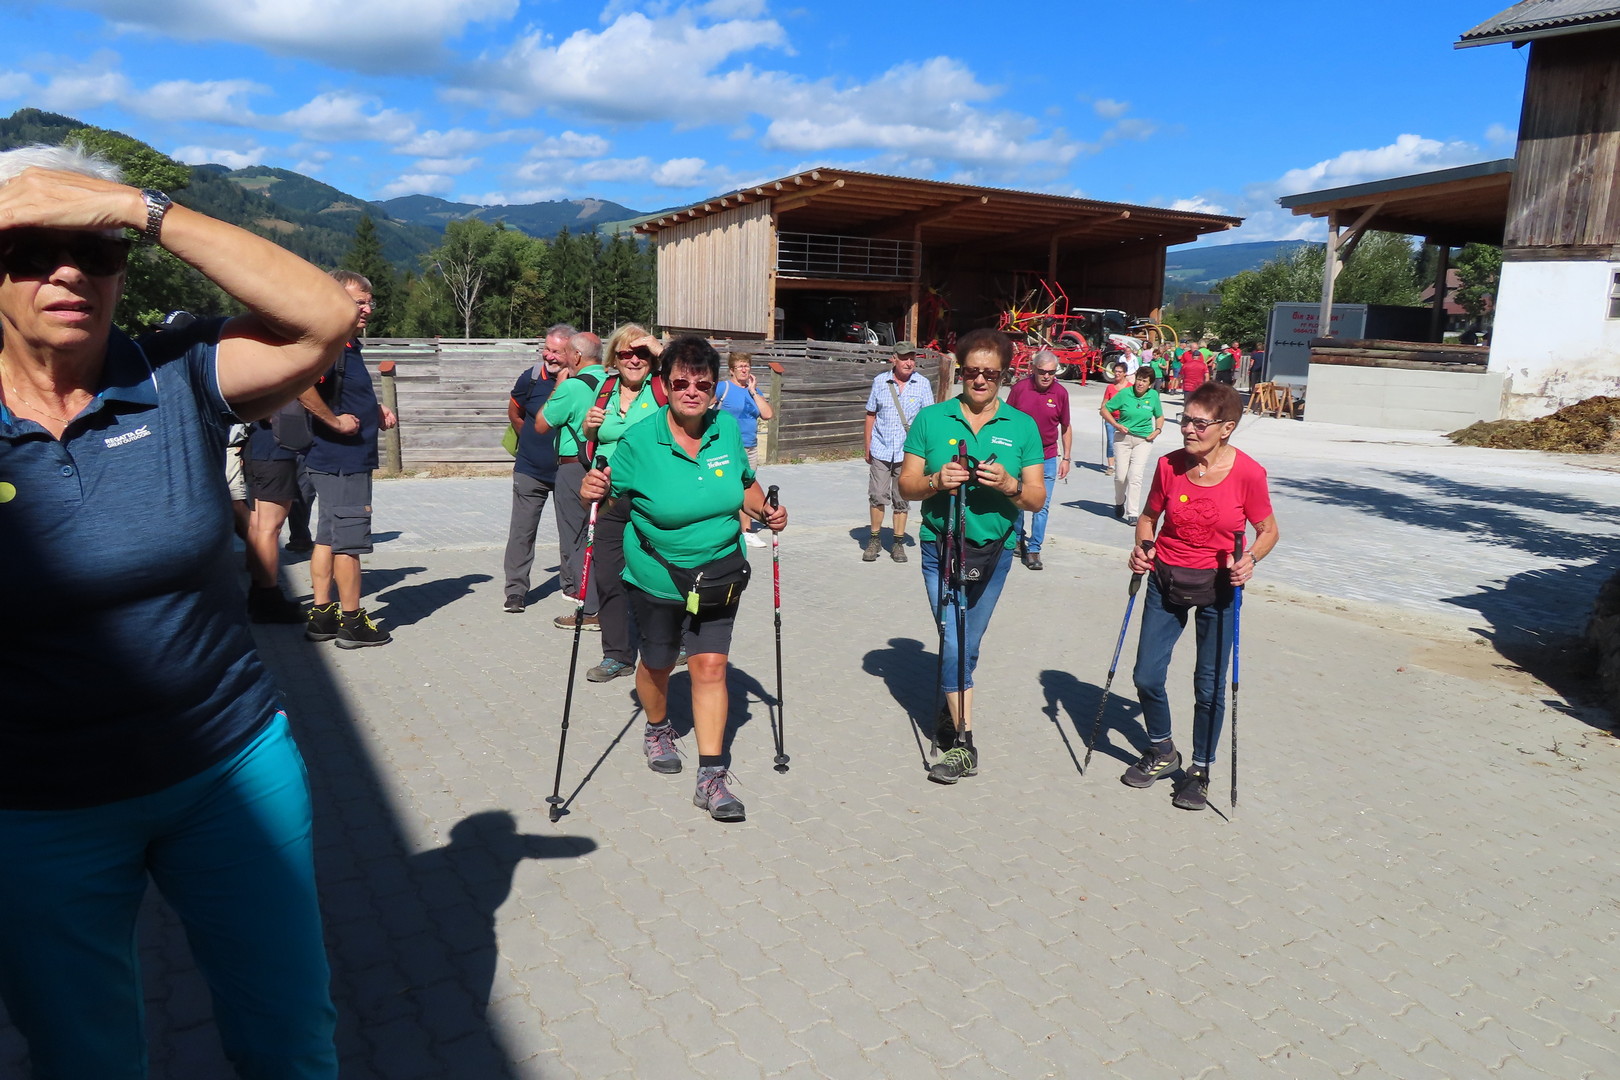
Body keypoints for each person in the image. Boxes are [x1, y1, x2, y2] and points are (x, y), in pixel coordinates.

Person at [0, 143, 354, 1077]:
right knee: (84, 1056)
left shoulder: (172, 373)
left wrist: (134, 206)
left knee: (290, 1040)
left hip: (227, 772)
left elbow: (324, 318)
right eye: (30, 251)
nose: (69, 272)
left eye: (94, 249)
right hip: (35, 806)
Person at [579, 337, 788, 822]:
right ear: (665, 385)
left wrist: (767, 510)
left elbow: (744, 486)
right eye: (681, 382)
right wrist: (593, 488)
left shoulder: (726, 429)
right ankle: (657, 728)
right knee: (656, 662)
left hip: (718, 572)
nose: (691, 391)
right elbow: (607, 496)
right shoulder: (639, 441)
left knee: (710, 668)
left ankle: (711, 777)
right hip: (657, 577)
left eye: (702, 383)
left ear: (714, 389)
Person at [897, 329, 1046, 784]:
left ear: (1005, 375)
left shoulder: (1021, 426)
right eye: (972, 372)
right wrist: (936, 481)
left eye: (991, 373)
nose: (980, 380)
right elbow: (907, 486)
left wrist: (1009, 486)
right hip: (940, 546)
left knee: (970, 643)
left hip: (994, 552)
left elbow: (1037, 498)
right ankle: (965, 743)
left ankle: (950, 706)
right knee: (955, 640)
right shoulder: (931, 418)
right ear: (960, 372)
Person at [1122, 382, 1279, 810]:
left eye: (1199, 423)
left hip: (1220, 587)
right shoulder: (1169, 466)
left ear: (1226, 428)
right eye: (1184, 419)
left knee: (1208, 686)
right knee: (1146, 676)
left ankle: (1200, 770)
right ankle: (1162, 750)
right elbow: (1149, 517)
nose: (1188, 429)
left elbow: (1268, 530)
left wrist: (1251, 559)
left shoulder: (1248, 473)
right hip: (1166, 578)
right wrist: (1143, 547)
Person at [300, 269, 397, 648]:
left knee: (328, 537)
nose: (367, 309)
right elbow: (302, 386)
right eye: (359, 302)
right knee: (349, 542)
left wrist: (375, 409)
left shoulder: (347, 345)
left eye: (370, 302)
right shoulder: (329, 344)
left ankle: (323, 615)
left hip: (336, 458)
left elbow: (341, 394)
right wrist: (334, 421)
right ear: (334, 300)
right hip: (342, 459)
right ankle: (353, 622)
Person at [579, 322, 668, 683]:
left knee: (662, 573)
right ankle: (617, 655)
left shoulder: (663, 387)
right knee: (608, 577)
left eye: (641, 353)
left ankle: (673, 641)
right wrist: (588, 427)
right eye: (626, 353)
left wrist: (660, 349)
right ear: (614, 357)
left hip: (654, 497)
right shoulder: (605, 389)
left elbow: (696, 375)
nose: (634, 359)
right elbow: (591, 441)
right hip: (610, 499)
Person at [538, 326, 610, 631]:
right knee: (606, 537)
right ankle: (611, 603)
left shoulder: (571, 387)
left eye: (567, 352)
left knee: (578, 538)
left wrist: (558, 387)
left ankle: (590, 608)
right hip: (607, 467)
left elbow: (541, 424)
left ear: (577, 356)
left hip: (573, 468)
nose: (564, 358)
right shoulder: (613, 383)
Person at [501, 339, 562, 613]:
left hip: (568, 471)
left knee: (573, 535)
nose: (549, 355)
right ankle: (515, 591)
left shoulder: (582, 380)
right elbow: (515, 411)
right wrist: (530, 437)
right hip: (529, 470)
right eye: (547, 349)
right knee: (522, 532)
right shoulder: (532, 377)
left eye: (556, 351)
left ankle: (575, 590)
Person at [862, 340, 932, 563]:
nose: (909, 362)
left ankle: (898, 543)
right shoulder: (880, 382)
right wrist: (867, 446)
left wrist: (927, 452)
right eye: (904, 358)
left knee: (901, 498)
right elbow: (871, 414)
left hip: (907, 453)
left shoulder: (922, 384)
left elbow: (928, 420)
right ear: (894, 359)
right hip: (881, 449)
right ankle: (874, 540)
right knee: (877, 495)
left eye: (912, 358)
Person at [1004, 349, 1071, 571]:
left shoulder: (1061, 394)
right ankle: (1016, 538)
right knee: (1018, 499)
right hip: (1020, 456)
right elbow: (1005, 420)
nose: (1046, 376)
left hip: (1047, 456)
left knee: (1041, 505)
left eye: (1051, 372)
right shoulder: (1019, 389)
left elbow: (1066, 426)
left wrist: (1066, 458)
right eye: (1042, 371)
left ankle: (1034, 549)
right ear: (1033, 369)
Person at [715, 351, 773, 547]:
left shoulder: (753, 391)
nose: (744, 369)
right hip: (728, 447)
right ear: (732, 370)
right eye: (740, 366)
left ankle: (743, 530)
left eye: (747, 366)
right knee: (734, 487)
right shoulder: (723, 387)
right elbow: (705, 406)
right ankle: (744, 530)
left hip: (750, 446)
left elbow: (767, 414)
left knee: (746, 486)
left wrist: (753, 391)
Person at [1101, 366, 1163, 525]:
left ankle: (1133, 512)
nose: (1140, 383)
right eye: (1139, 380)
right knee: (1120, 477)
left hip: (1143, 440)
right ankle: (1119, 501)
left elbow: (1159, 416)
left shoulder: (1153, 395)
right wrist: (1116, 424)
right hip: (1123, 438)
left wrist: (1157, 430)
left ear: (1150, 384)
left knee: (1135, 476)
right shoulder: (1124, 393)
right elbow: (1104, 410)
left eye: (1144, 381)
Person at [1100, 360, 1129, 475]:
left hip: (1125, 419)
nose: (1117, 374)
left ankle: (1123, 464)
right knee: (1111, 441)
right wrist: (1103, 409)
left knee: (1124, 443)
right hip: (1111, 419)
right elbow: (1104, 402)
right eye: (1115, 371)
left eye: (1120, 372)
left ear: (1125, 373)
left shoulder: (1130, 388)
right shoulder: (1110, 387)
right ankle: (1111, 466)